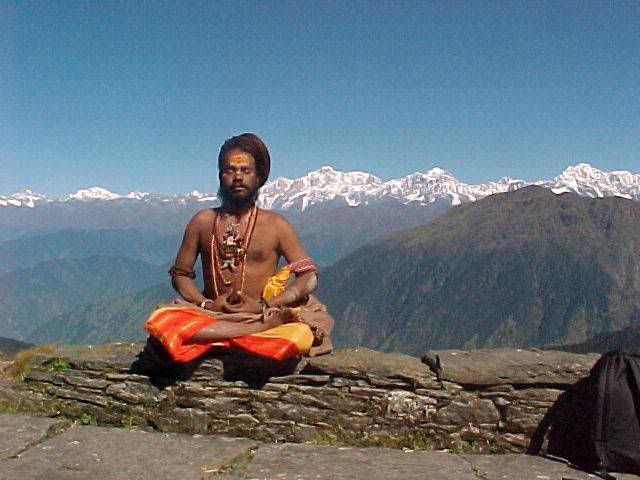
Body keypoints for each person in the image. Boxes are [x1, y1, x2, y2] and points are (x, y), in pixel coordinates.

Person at [145, 133, 334, 361]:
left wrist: (267, 304)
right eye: (230, 170)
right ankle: (249, 334)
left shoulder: (276, 224)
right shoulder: (202, 221)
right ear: (220, 176)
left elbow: (309, 276)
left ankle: (227, 337)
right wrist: (206, 303)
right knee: (161, 320)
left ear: (258, 178)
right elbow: (180, 274)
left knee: (301, 334)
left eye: (245, 171)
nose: (237, 177)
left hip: (263, 313)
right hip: (212, 313)